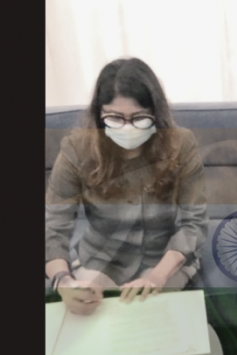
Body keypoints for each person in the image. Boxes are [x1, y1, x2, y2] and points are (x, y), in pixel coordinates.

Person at [45, 57, 208, 315]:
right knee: (88, 322)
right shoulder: (76, 149)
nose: (127, 128)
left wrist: (157, 277)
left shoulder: (181, 144)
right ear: (99, 115)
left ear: (156, 114)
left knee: (154, 321)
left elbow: (194, 224)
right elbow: (53, 227)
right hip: (100, 260)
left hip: (164, 259)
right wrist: (63, 282)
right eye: (115, 118)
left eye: (140, 118)